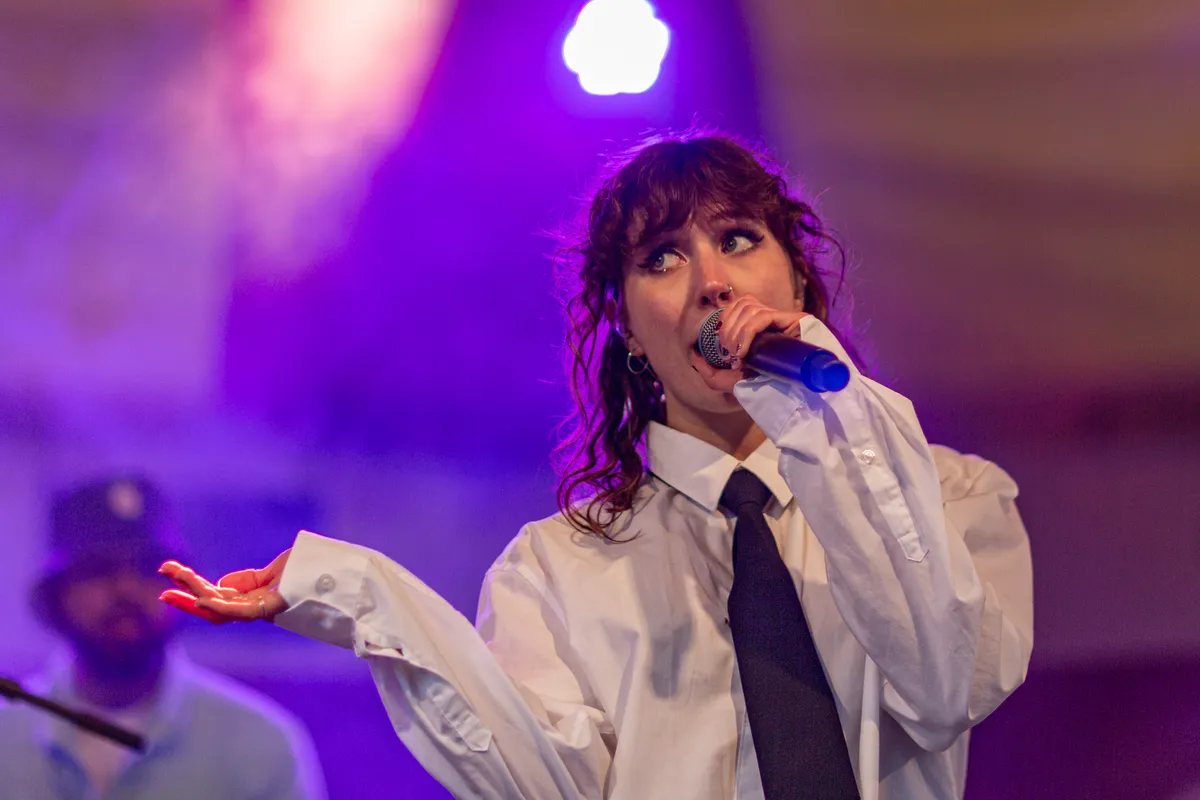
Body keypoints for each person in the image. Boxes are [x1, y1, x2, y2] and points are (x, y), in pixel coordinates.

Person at [160, 132, 1034, 799]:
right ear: (627, 328)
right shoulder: (558, 572)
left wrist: (822, 413)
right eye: (664, 258)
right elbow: (538, 782)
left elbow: (945, 687)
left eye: (738, 239)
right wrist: (359, 595)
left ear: (798, 283)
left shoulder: (954, 496)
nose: (712, 282)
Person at [0, 475, 327, 800]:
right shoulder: (7, 735)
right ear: (57, 594)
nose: (126, 589)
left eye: (150, 569)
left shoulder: (260, 746)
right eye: (99, 569)